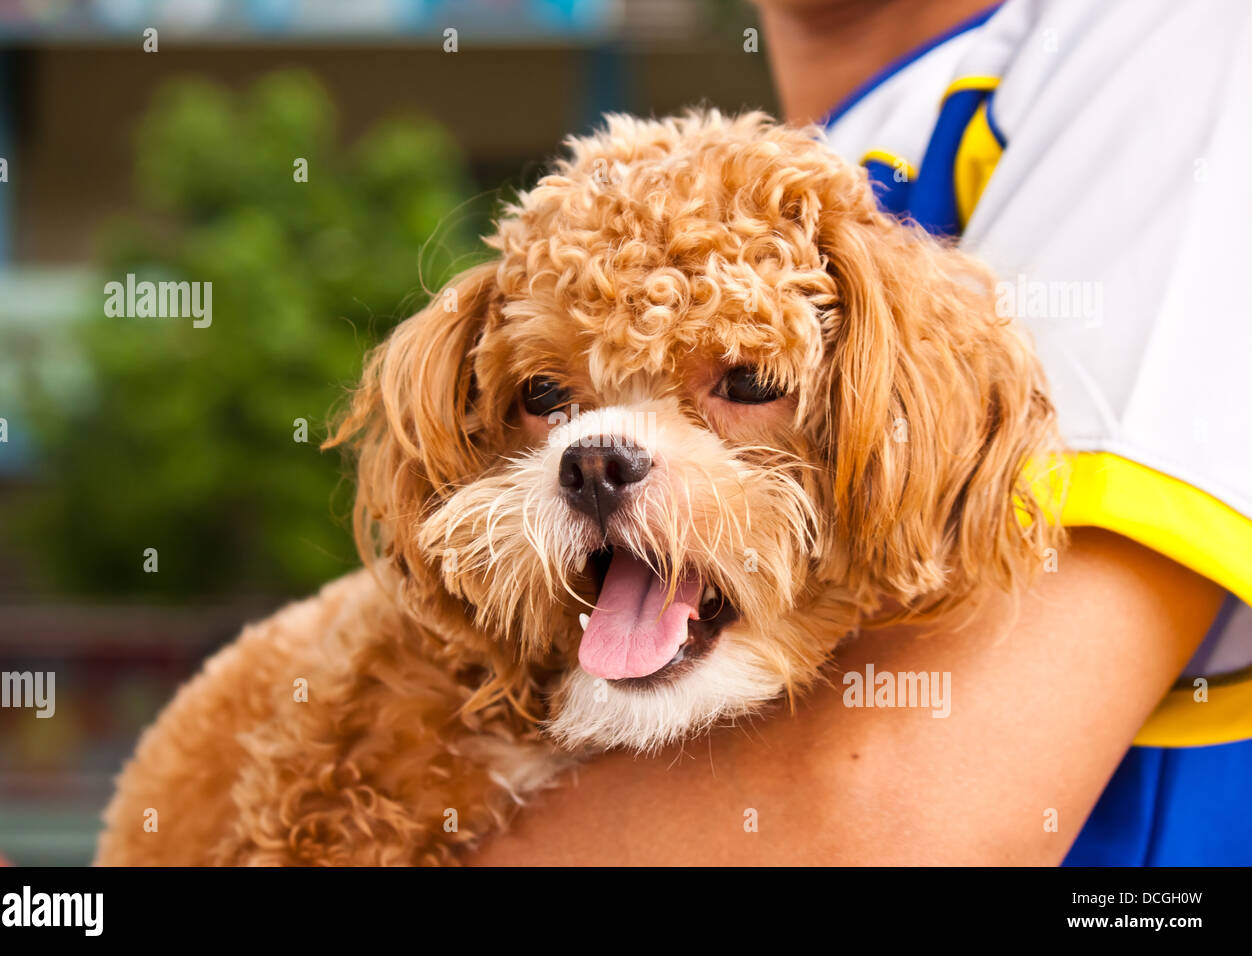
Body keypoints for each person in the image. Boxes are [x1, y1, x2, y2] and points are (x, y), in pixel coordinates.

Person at [467, 0, 1251, 865]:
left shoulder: (1182, 41)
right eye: (548, 395)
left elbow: (907, 819)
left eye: (750, 381)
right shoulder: (798, 157)